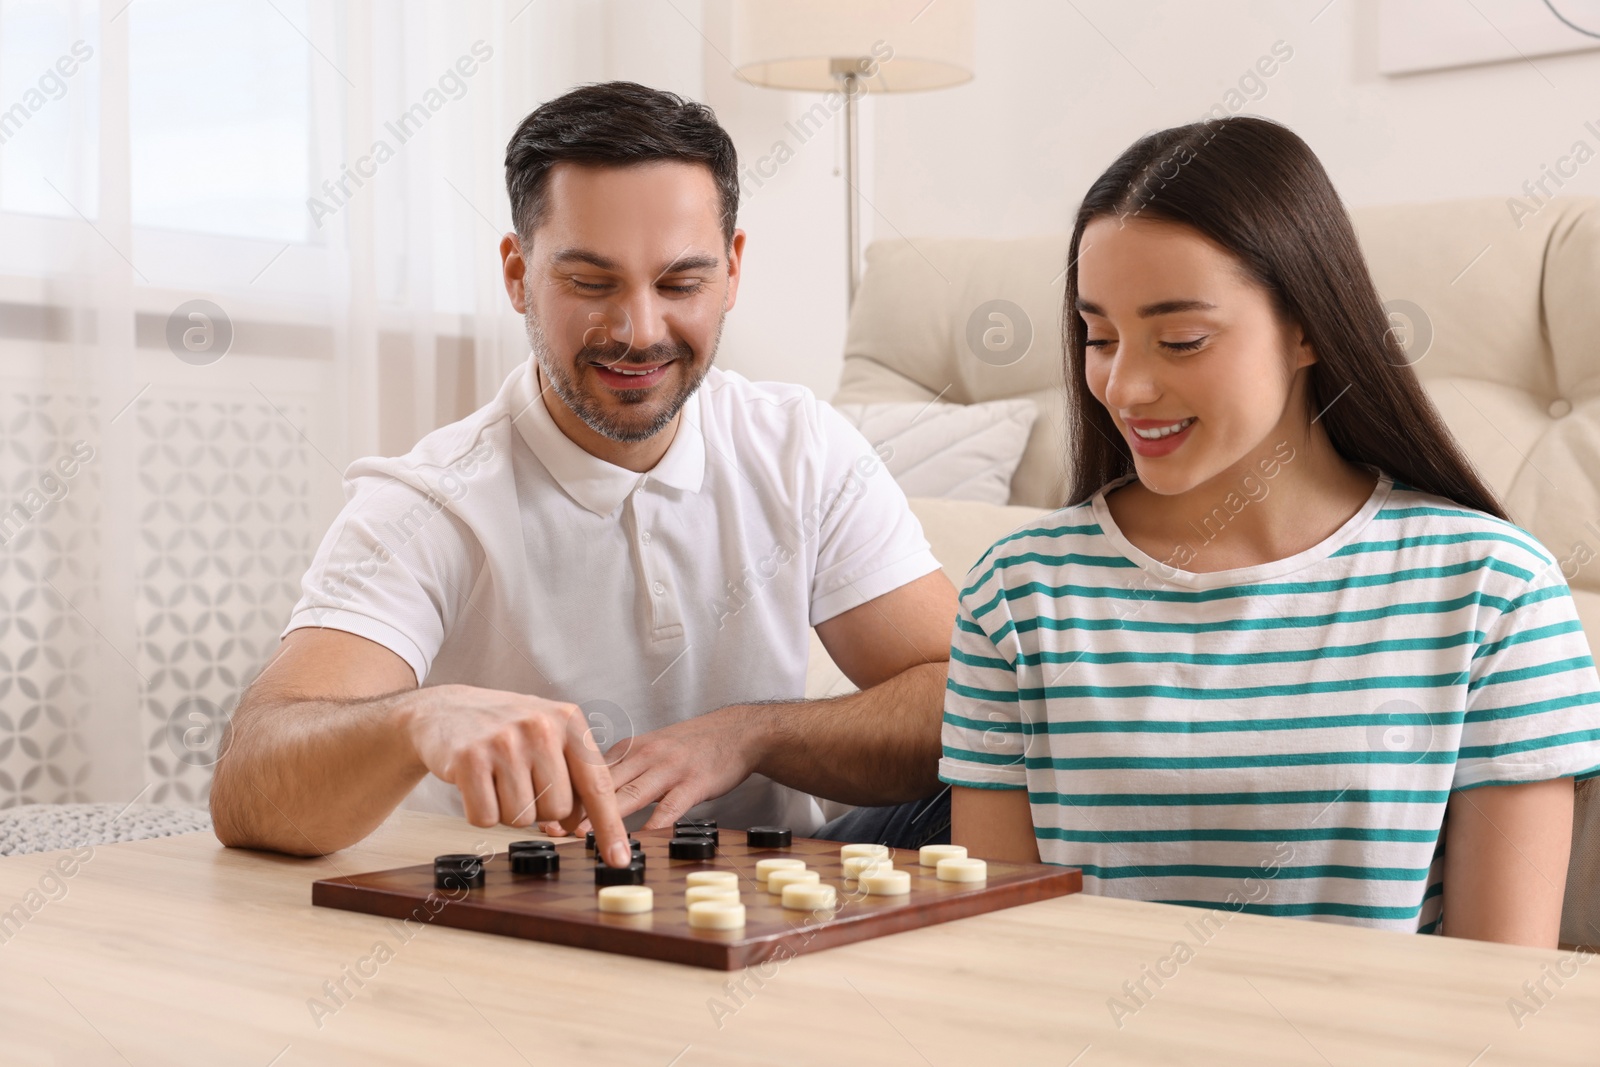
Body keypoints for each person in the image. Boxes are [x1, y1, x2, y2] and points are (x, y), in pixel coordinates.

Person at [210, 82, 957, 867]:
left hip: (767, 894)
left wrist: (749, 733)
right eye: (591, 283)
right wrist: (415, 720)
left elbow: (974, 698)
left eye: (680, 283)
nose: (639, 331)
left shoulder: (800, 446)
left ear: (732, 273)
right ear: (516, 273)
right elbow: (250, 782)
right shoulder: (429, 502)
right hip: (526, 902)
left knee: (1012, 761)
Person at [941, 116, 1600, 947]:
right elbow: (1004, 954)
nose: (1125, 385)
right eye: (1099, 336)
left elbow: (1495, 990)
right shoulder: (1019, 592)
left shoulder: (1494, 593)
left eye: (1181, 339)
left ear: (1308, 327)